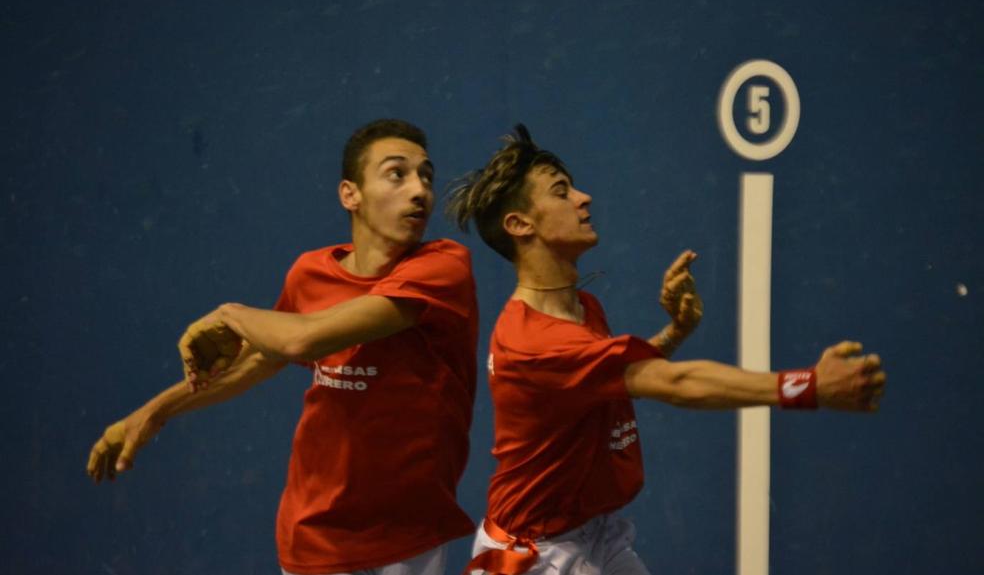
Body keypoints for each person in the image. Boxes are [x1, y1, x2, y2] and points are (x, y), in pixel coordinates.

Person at [445, 124, 887, 575]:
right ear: (520, 224)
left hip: (592, 535)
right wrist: (807, 387)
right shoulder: (535, 341)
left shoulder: (581, 308)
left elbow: (605, 383)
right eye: (562, 192)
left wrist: (674, 333)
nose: (583, 198)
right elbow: (674, 382)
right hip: (534, 558)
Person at [87, 119, 479, 575]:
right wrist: (155, 410)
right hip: (313, 530)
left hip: (408, 536)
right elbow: (263, 357)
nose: (419, 191)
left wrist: (230, 314)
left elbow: (302, 336)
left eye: (426, 176)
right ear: (349, 194)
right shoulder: (310, 273)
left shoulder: (443, 267)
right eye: (398, 174)